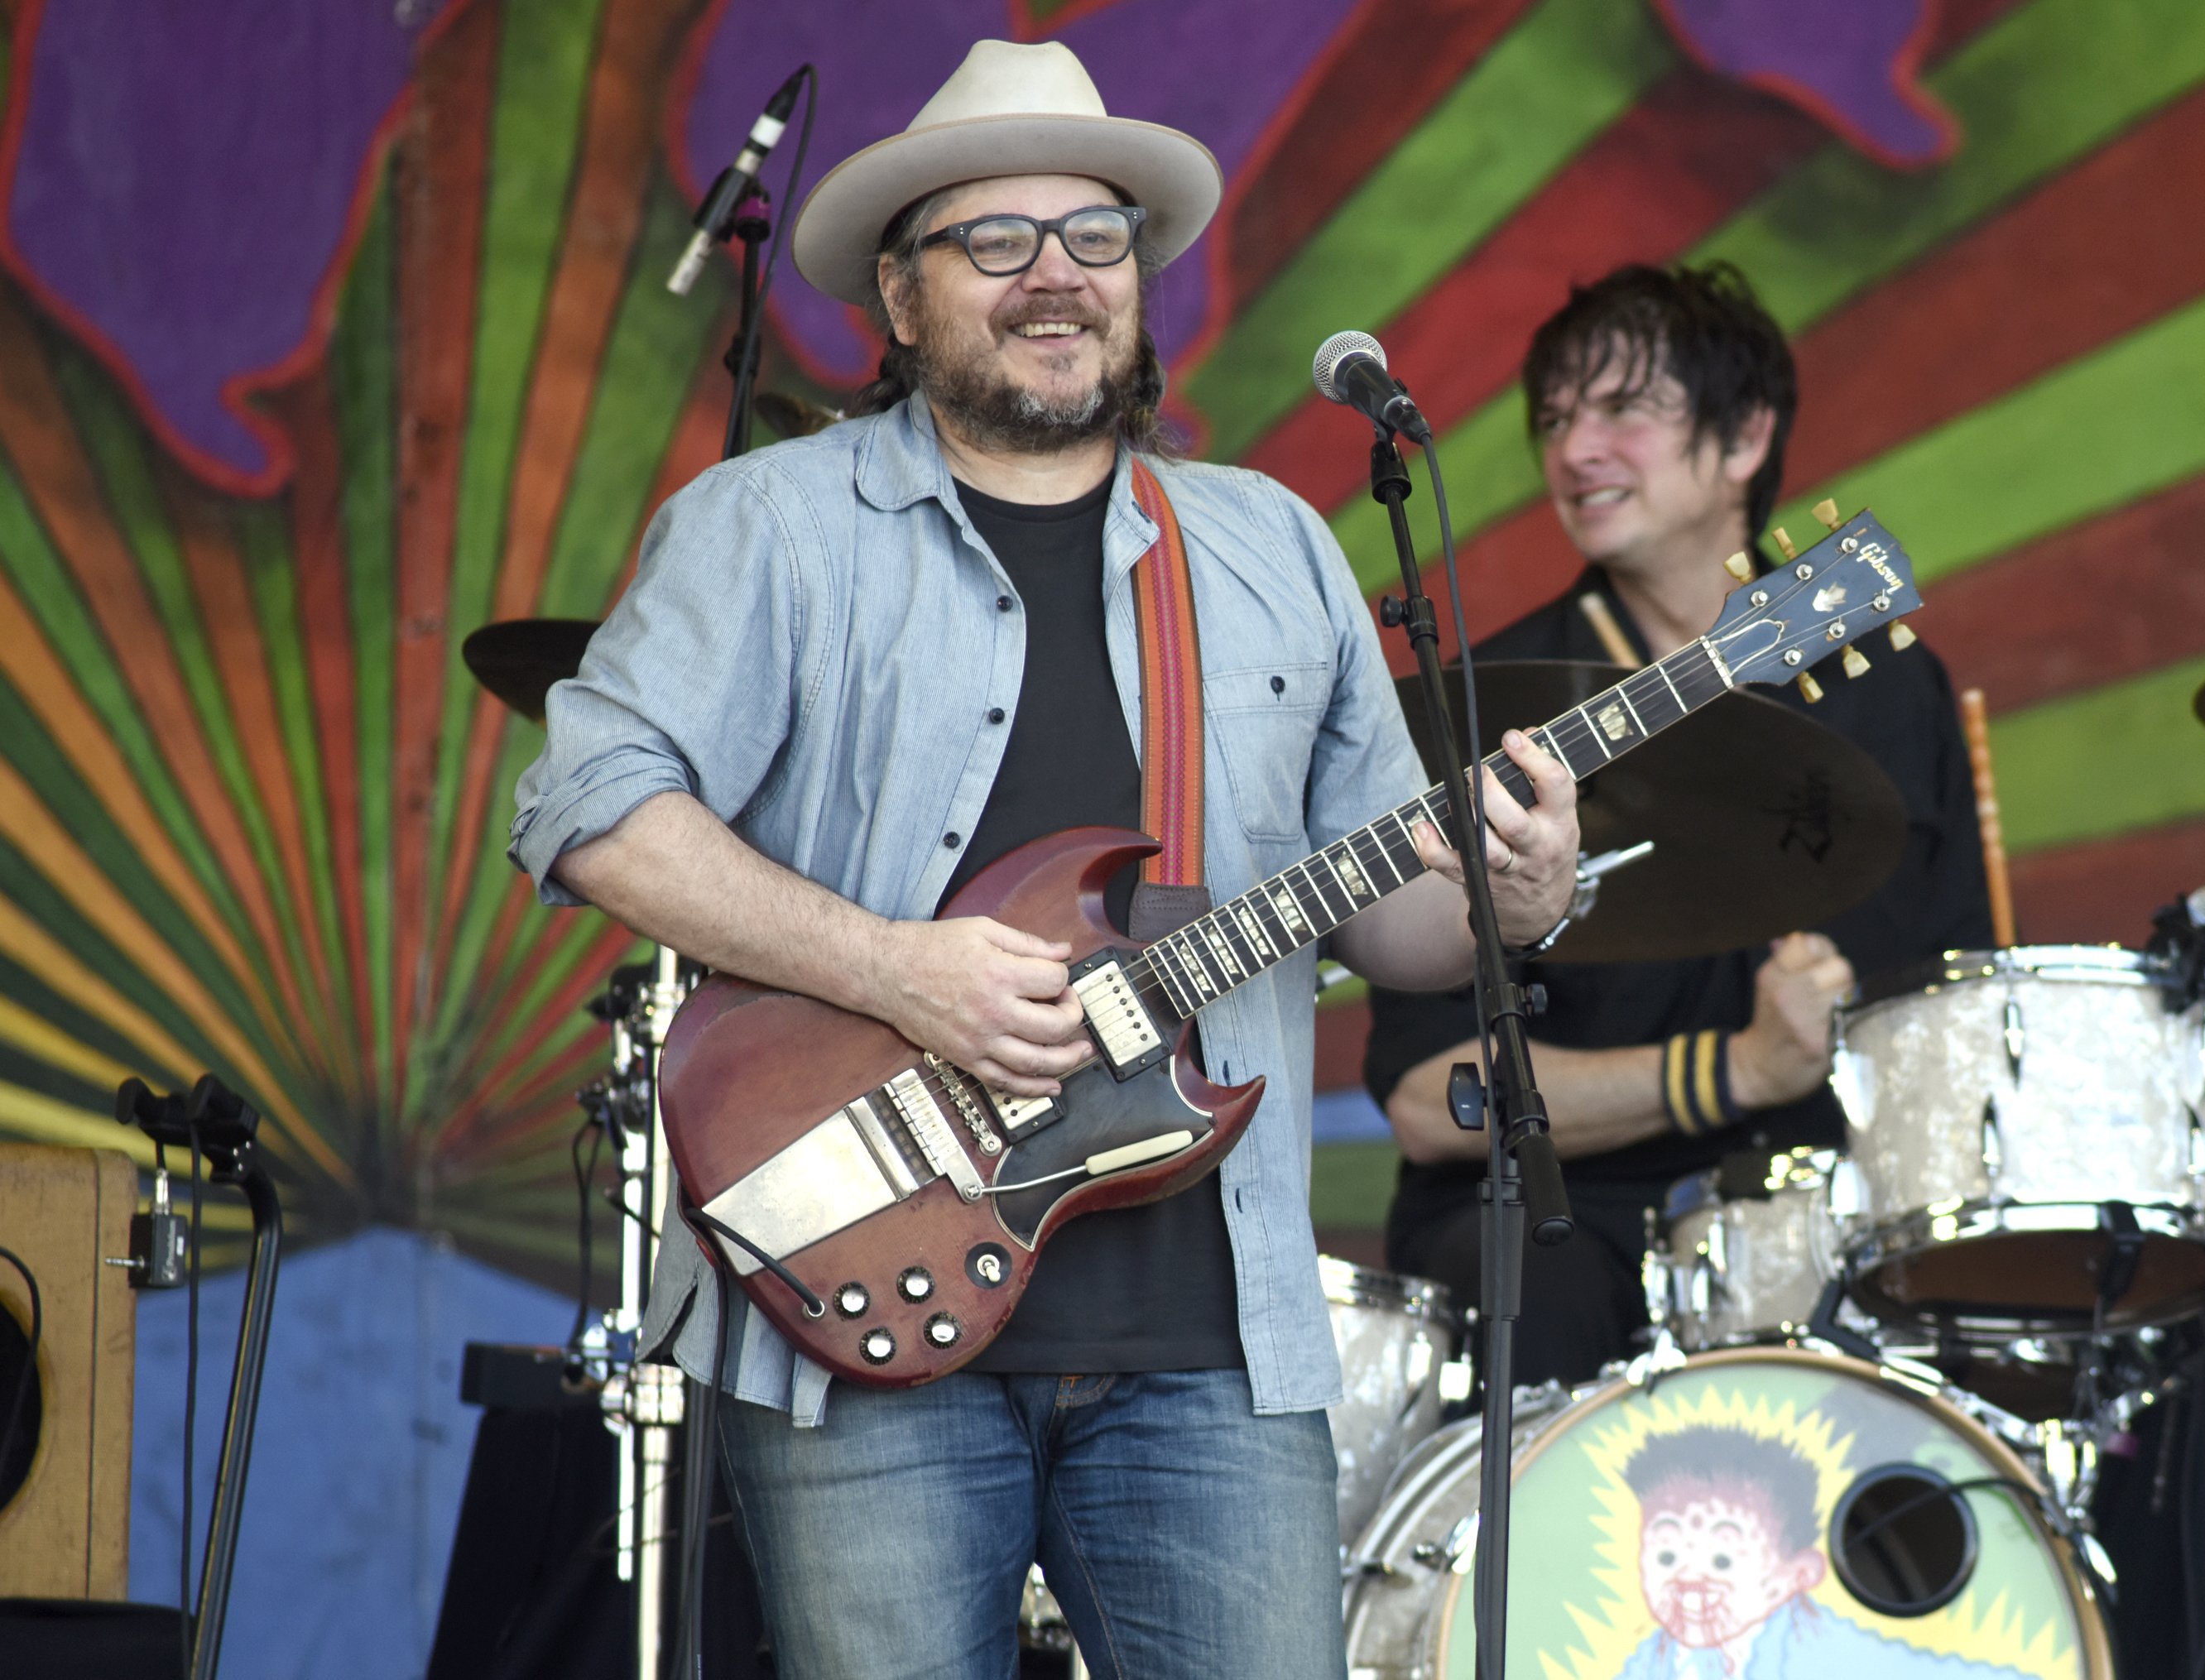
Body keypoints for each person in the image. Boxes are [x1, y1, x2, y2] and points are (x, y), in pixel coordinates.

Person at [507, 39, 1578, 1680]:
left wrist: (1515, 894)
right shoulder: (774, 525)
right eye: (996, 242)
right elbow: (586, 803)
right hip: (870, 1309)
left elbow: (1404, 928)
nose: (1056, 278)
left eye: (1095, 237)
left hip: (1215, 1345)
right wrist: (892, 969)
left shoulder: (1273, 545)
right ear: (902, 289)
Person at [1362, 261, 1991, 1389]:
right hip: (1564, 1215)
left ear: (1745, 437)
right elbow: (1423, 1099)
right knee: (1528, 1282)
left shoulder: (1889, 692)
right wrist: (1731, 1069)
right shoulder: (1487, 705)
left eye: (1624, 408)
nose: (1574, 449)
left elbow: (1952, 1018)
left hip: (1815, 1208)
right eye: (1554, 419)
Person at [1617, 1427, 2037, 1680]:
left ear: (1797, 1575)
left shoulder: (1832, 1654)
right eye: (1666, 1557)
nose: (1689, 1581)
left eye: (1722, 1562)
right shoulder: (1652, 1659)